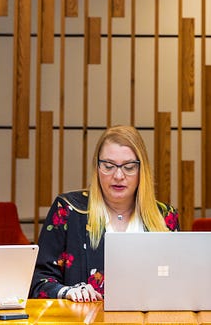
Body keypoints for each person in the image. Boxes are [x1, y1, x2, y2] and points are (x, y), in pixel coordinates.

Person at [29, 125, 179, 302]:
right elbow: (38, 282)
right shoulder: (68, 210)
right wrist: (67, 292)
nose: (118, 175)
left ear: (142, 170)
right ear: (97, 168)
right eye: (108, 166)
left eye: (129, 167)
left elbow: (177, 283)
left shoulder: (164, 216)